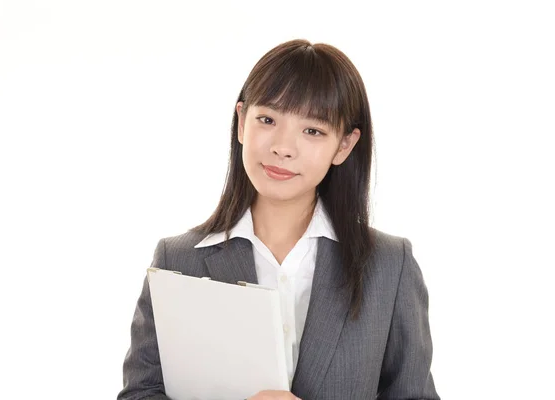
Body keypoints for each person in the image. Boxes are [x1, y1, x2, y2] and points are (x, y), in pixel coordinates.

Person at [117, 38, 440, 400]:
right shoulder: (178, 260)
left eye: (313, 130)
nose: (283, 147)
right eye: (267, 119)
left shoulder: (388, 266)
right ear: (241, 122)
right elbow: (140, 394)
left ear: (344, 145)